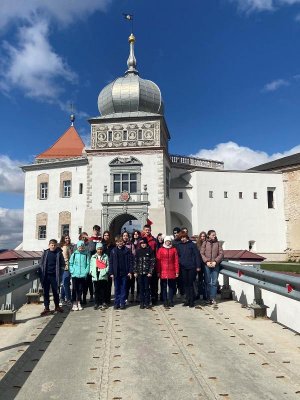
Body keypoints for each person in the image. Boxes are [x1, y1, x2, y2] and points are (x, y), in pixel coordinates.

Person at [39, 239, 65, 316]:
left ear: (56, 245)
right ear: (49, 245)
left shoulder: (58, 253)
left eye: (54, 245)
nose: (53, 246)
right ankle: (46, 308)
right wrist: (41, 273)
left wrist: (60, 274)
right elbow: (41, 263)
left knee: (56, 292)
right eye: (51, 245)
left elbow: (62, 264)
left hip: (55, 276)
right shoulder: (45, 253)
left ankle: (57, 306)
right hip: (46, 276)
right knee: (46, 292)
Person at [176, 232, 201, 308]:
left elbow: (197, 256)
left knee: (190, 283)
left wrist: (198, 266)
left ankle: (192, 301)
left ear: (187, 237)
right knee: (185, 284)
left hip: (191, 267)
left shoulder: (192, 245)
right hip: (183, 267)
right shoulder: (179, 245)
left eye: (184, 237)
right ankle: (187, 299)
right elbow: (178, 255)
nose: (183, 239)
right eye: (181, 238)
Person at [109, 235, 133, 310]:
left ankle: (122, 303)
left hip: (124, 273)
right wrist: (111, 272)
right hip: (116, 273)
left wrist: (130, 271)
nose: (120, 243)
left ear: (123, 242)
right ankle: (116, 303)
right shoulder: (113, 251)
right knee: (117, 289)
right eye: (118, 242)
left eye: (121, 242)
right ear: (116, 243)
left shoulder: (127, 250)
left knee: (123, 288)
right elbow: (111, 262)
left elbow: (130, 262)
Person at [200, 230, 224, 306]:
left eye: (215, 235)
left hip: (215, 265)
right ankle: (208, 298)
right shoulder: (205, 243)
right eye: (213, 235)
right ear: (209, 235)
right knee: (207, 282)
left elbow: (221, 254)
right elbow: (202, 253)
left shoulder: (218, 243)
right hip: (207, 265)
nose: (214, 236)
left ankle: (213, 298)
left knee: (214, 282)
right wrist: (206, 261)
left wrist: (215, 262)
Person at [156, 236, 179, 308]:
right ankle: (165, 301)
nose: (168, 242)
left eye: (169, 241)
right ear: (164, 242)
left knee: (171, 287)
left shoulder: (174, 249)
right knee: (164, 287)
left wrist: (177, 271)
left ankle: (171, 300)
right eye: (167, 241)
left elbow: (176, 261)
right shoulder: (160, 250)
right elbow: (158, 261)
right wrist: (158, 271)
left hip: (172, 270)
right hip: (163, 270)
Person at [133, 237, 155, 309]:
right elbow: (135, 262)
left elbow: (152, 262)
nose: (143, 245)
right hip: (139, 273)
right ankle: (142, 302)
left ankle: (147, 302)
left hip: (147, 274)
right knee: (141, 288)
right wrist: (135, 271)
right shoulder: (138, 251)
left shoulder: (150, 250)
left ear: (146, 243)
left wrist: (150, 272)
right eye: (142, 243)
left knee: (147, 288)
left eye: (144, 243)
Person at [69, 240, 90, 311]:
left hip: (82, 275)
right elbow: (70, 264)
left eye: (82, 247)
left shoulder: (86, 254)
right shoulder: (74, 254)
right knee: (74, 289)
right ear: (77, 247)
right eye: (79, 247)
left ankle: (79, 302)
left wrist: (86, 272)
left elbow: (88, 264)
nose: (80, 249)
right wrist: (72, 271)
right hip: (75, 275)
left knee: (80, 289)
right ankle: (74, 303)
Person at [142, 224, 158, 304]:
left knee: (153, 283)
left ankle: (154, 298)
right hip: (143, 265)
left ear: (150, 230)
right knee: (144, 284)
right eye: (146, 230)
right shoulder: (141, 240)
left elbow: (156, 252)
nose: (147, 231)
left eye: (148, 230)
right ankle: (145, 299)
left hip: (152, 264)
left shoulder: (154, 240)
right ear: (143, 230)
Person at [90, 243, 109, 310]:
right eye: (98, 249)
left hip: (103, 274)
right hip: (96, 275)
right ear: (96, 249)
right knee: (96, 290)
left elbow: (108, 265)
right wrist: (91, 272)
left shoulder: (105, 256)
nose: (99, 250)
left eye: (100, 249)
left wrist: (105, 271)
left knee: (103, 290)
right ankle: (96, 303)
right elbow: (91, 265)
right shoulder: (93, 257)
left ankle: (103, 302)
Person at [58, 234, 73, 307]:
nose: (67, 239)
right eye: (66, 238)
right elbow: (65, 259)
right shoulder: (65, 247)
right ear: (63, 239)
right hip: (66, 268)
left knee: (64, 284)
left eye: (68, 238)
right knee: (66, 284)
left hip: (66, 267)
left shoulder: (67, 247)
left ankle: (62, 299)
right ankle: (68, 300)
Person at [102, 230, 115, 304]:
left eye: (107, 235)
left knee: (109, 284)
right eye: (105, 235)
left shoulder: (112, 245)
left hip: (110, 266)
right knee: (103, 283)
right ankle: (103, 299)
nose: (106, 236)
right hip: (102, 266)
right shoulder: (101, 244)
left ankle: (108, 299)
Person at [122, 231, 136, 302]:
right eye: (124, 235)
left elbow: (134, 255)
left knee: (131, 282)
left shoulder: (131, 245)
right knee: (125, 283)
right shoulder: (120, 244)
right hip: (123, 266)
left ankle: (132, 295)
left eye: (126, 235)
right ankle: (125, 297)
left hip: (130, 265)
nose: (125, 237)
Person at [195, 231, 208, 302]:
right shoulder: (197, 244)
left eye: (204, 236)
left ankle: (205, 295)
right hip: (199, 264)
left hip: (206, 264)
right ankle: (198, 294)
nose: (203, 238)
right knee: (199, 280)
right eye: (202, 236)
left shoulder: (208, 244)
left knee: (206, 280)